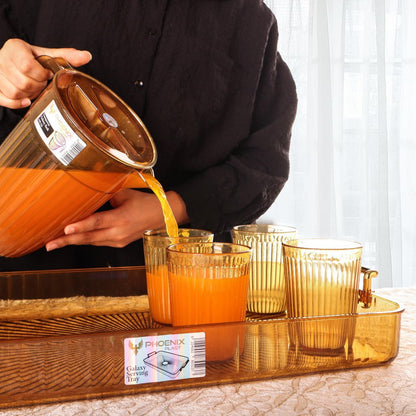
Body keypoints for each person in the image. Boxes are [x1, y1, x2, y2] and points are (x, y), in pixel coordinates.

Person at [0, 1, 297, 271]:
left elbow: (266, 163)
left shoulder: (252, 23)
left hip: (174, 279)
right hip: (24, 269)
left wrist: (170, 208)